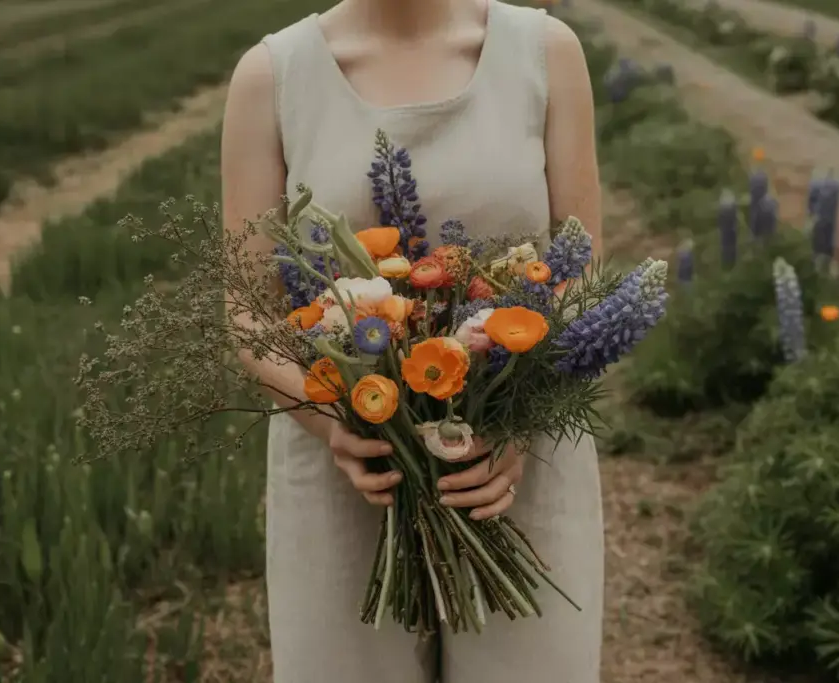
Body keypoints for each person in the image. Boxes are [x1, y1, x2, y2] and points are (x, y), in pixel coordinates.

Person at [220, 0, 604, 680]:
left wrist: (516, 419)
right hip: (349, 476)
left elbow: (580, 274)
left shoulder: (546, 52)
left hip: (517, 470)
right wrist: (332, 419)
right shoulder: (272, 77)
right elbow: (249, 312)